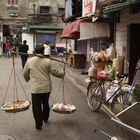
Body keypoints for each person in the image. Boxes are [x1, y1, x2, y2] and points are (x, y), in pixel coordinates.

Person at [22, 44, 65, 131]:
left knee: (36, 106)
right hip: (46, 88)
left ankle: (38, 124)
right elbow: (55, 72)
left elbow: (24, 73)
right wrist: (62, 73)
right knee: (45, 103)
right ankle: (45, 118)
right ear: (42, 51)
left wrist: (28, 78)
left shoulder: (30, 61)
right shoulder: (48, 61)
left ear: (35, 51)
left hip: (36, 89)